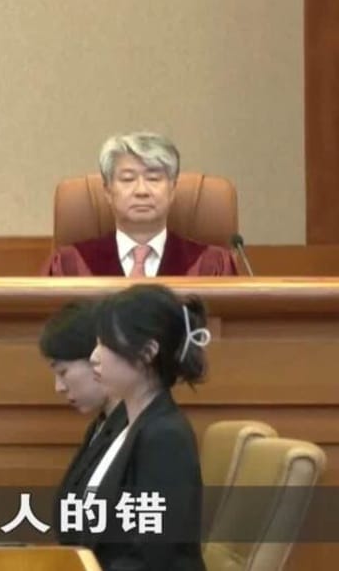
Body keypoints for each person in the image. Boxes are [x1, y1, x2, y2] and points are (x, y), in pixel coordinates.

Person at [75, 284, 210, 571]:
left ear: (148, 352)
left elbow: (150, 557)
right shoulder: (119, 425)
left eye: (106, 344)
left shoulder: (165, 436)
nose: (94, 356)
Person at [41, 132, 236, 277]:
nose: (141, 191)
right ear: (108, 191)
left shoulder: (212, 265)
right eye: (128, 179)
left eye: (153, 178)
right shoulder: (69, 265)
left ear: (172, 189)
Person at [38, 298, 126, 542]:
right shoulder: (101, 427)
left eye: (63, 372)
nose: (59, 387)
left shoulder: (149, 434)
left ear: (98, 359)